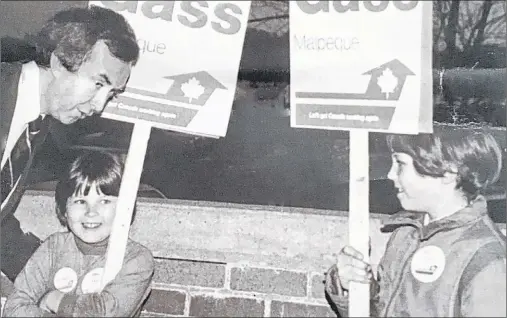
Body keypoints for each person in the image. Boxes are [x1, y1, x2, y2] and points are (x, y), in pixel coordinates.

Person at [1, 5, 140, 282]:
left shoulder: (36, 126)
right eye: (99, 84)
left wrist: (59, 278)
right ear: (58, 62)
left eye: (112, 93)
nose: (100, 105)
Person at [325, 127, 506, 317]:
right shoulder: (406, 233)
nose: (390, 175)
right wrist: (355, 288)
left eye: (400, 164)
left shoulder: (488, 260)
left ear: (448, 173)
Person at [2, 151, 154, 317]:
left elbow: (105, 313)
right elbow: (14, 309)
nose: (91, 212)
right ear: (64, 210)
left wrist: (54, 299)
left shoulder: (136, 259)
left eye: (104, 201)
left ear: (125, 209)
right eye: (80, 201)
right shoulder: (53, 248)